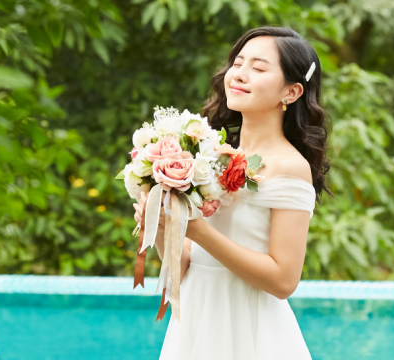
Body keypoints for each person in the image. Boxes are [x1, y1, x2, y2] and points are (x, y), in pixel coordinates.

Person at [133, 26, 332, 360]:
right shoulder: (211, 155)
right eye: (238, 63)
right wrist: (163, 228)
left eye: (258, 68)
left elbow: (283, 280)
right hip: (197, 316)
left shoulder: (289, 166)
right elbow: (187, 266)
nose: (239, 74)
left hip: (249, 326)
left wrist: (197, 230)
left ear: (292, 92)